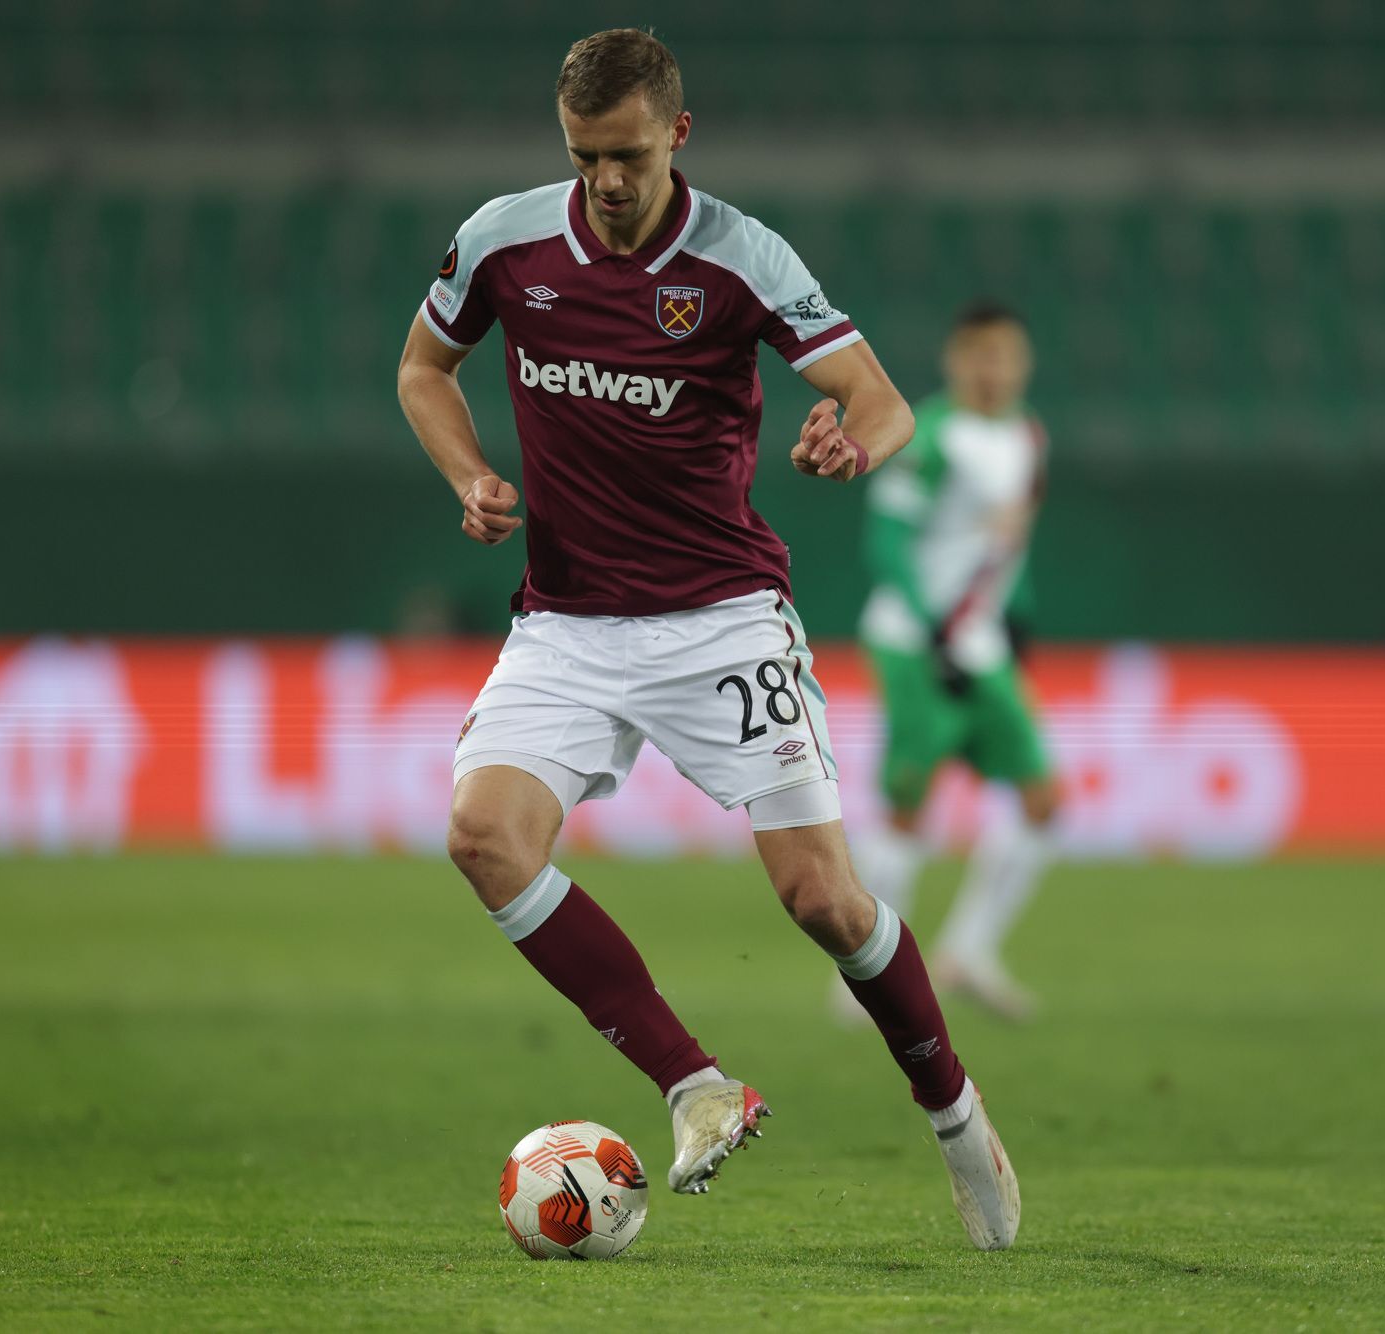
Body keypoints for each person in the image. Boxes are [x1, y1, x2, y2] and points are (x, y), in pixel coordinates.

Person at [394, 29, 1019, 1249]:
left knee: (823, 898)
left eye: (626, 155)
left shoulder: (739, 256)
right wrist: (467, 473)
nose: (604, 180)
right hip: (566, 622)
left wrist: (851, 438)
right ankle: (694, 1084)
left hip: (720, 618)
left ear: (676, 135)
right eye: (582, 155)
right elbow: (424, 367)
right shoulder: (505, 241)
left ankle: (953, 1112)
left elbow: (881, 400)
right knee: (482, 835)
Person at [842, 303, 1059, 1022]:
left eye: (1007, 355)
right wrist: (935, 630)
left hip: (981, 642)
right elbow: (886, 540)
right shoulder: (931, 436)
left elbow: (1008, 549)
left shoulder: (1029, 436)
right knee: (910, 806)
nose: (994, 370)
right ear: (955, 360)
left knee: (1043, 798)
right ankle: (870, 979)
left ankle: (968, 953)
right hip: (913, 640)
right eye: (980, 355)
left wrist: (1017, 623)